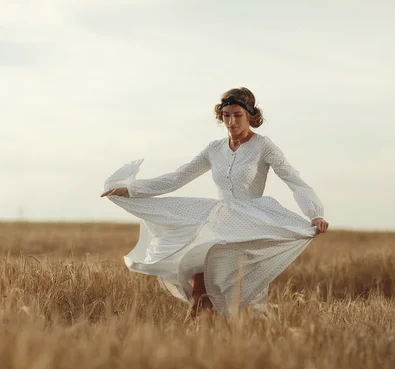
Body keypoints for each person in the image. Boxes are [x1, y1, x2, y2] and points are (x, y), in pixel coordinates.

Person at [101, 87, 328, 320]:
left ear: (250, 115)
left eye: (237, 115)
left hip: (249, 228)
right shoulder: (214, 149)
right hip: (216, 226)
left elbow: (294, 180)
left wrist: (314, 214)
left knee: (241, 304)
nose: (231, 121)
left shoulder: (263, 146)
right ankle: (193, 343)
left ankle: (241, 342)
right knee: (200, 291)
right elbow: (178, 177)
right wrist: (131, 190)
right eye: (226, 115)